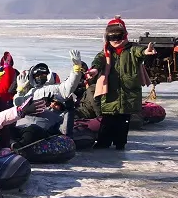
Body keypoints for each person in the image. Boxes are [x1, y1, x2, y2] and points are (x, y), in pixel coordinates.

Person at [88, 17, 156, 150]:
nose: (115, 40)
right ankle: (103, 143)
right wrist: (94, 70)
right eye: (112, 37)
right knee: (107, 119)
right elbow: (98, 61)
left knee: (123, 120)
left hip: (128, 92)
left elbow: (139, 52)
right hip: (110, 93)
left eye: (118, 36)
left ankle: (120, 144)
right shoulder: (106, 52)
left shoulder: (132, 50)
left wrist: (146, 52)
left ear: (124, 35)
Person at [10, 51, 85, 149]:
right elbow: (18, 105)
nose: (41, 77)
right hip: (22, 126)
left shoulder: (55, 89)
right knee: (7, 129)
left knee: (32, 130)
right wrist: (20, 91)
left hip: (41, 127)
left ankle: (19, 147)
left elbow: (69, 86)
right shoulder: (30, 92)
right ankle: (7, 146)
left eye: (44, 75)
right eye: (38, 75)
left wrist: (76, 69)